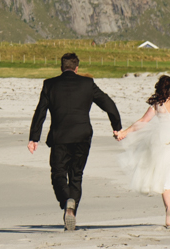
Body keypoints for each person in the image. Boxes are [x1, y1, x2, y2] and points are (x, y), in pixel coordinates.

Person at [27, 52, 123, 231]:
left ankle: (66, 202)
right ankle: (71, 210)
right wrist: (116, 126)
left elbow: (40, 112)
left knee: (58, 174)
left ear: (61, 67)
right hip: (82, 136)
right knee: (76, 175)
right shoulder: (87, 84)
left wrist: (34, 138)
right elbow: (108, 103)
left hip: (60, 137)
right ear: (77, 68)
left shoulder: (50, 84)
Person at [114, 74, 170, 228]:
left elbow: (143, 121)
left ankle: (169, 212)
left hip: (162, 144)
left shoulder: (157, 104)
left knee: (166, 180)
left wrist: (125, 132)